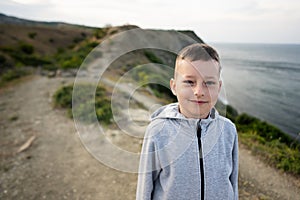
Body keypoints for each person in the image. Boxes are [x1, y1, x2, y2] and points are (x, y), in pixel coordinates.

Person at [136, 43, 239, 200]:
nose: (199, 91)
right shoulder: (158, 130)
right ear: (174, 86)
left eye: (209, 83)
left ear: (218, 87)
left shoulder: (228, 130)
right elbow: (145, 187)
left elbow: (232, 182)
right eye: (190, 82)